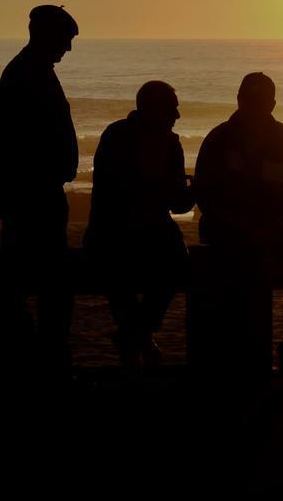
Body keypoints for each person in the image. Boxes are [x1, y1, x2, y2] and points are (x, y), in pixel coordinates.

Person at [193, 72, 283, 376]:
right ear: (239, 100)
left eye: (260, 102)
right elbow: (204, 192)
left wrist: (274, 229)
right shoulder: (218, 139)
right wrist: (241, 227)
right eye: (250, 100)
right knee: (234, 282)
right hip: (229, 234)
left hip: (282, 233)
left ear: (272, 104)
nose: (254, 107)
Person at [0, 4, 80, 377]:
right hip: (34, 198)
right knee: (47, 285)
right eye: (66, 40)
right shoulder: (27, 74)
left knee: (37, 283)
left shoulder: (30, 71)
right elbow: (27, 140)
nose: (68, 50)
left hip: (34, 194)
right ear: (47, 35)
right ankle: (43, 362)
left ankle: (37, 358)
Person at [84, 81, 194, 368]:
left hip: (150, 228)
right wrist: (167, 190)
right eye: (172, 109)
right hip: (114, 229)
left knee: (179, 263)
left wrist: (193, 192)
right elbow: (117, 194)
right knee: (119, 270)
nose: (177, 116)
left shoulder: (170, 144)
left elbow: (178, 205)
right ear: (153, 110)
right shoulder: (118, 137)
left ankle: (135, 335)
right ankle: (139, 337)